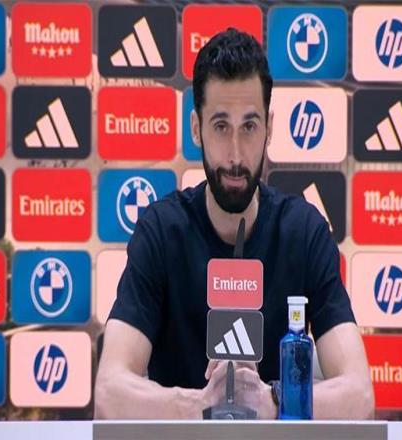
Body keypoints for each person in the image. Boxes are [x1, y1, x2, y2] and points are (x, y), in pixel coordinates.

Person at [95, 28, 374, 420]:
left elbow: (360, 396)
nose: (236, 155)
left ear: (269, 128)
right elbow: (109, 393)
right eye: (221, 126)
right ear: (196, 129)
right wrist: (199, 405)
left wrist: (270, 401)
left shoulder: (303, 231)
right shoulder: (161, 230)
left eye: (250, 126)